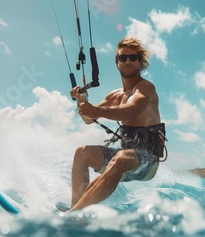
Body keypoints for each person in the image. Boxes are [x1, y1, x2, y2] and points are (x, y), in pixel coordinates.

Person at [68, 36, 166, 211]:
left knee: (121, 158)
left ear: (140, 62)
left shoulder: (145, 88)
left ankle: (74, 215)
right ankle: (75, 207)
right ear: (117, 63)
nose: (127, 61)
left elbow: (132, 109)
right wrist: (81, 100)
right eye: (123, 58)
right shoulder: (114, 95)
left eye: (133, 57)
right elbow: (88, 119)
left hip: (148, 161)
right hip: (126, 158)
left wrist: (97, 111)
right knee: (82, 153)